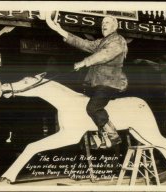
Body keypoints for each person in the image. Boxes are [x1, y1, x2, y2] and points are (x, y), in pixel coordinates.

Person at [45, 13, 128, 148]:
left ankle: (113, 136)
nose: (103, 26)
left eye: (106, 23)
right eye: (102, 24)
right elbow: (84, 44)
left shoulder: (118, 41)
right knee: (80, 105)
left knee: (93, 108)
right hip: (96, 83)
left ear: (115, 26)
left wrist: (83, 63)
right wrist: (60, 31)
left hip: (108, 83)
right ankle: (99, 135)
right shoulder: (102, 41)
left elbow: (103, 55)